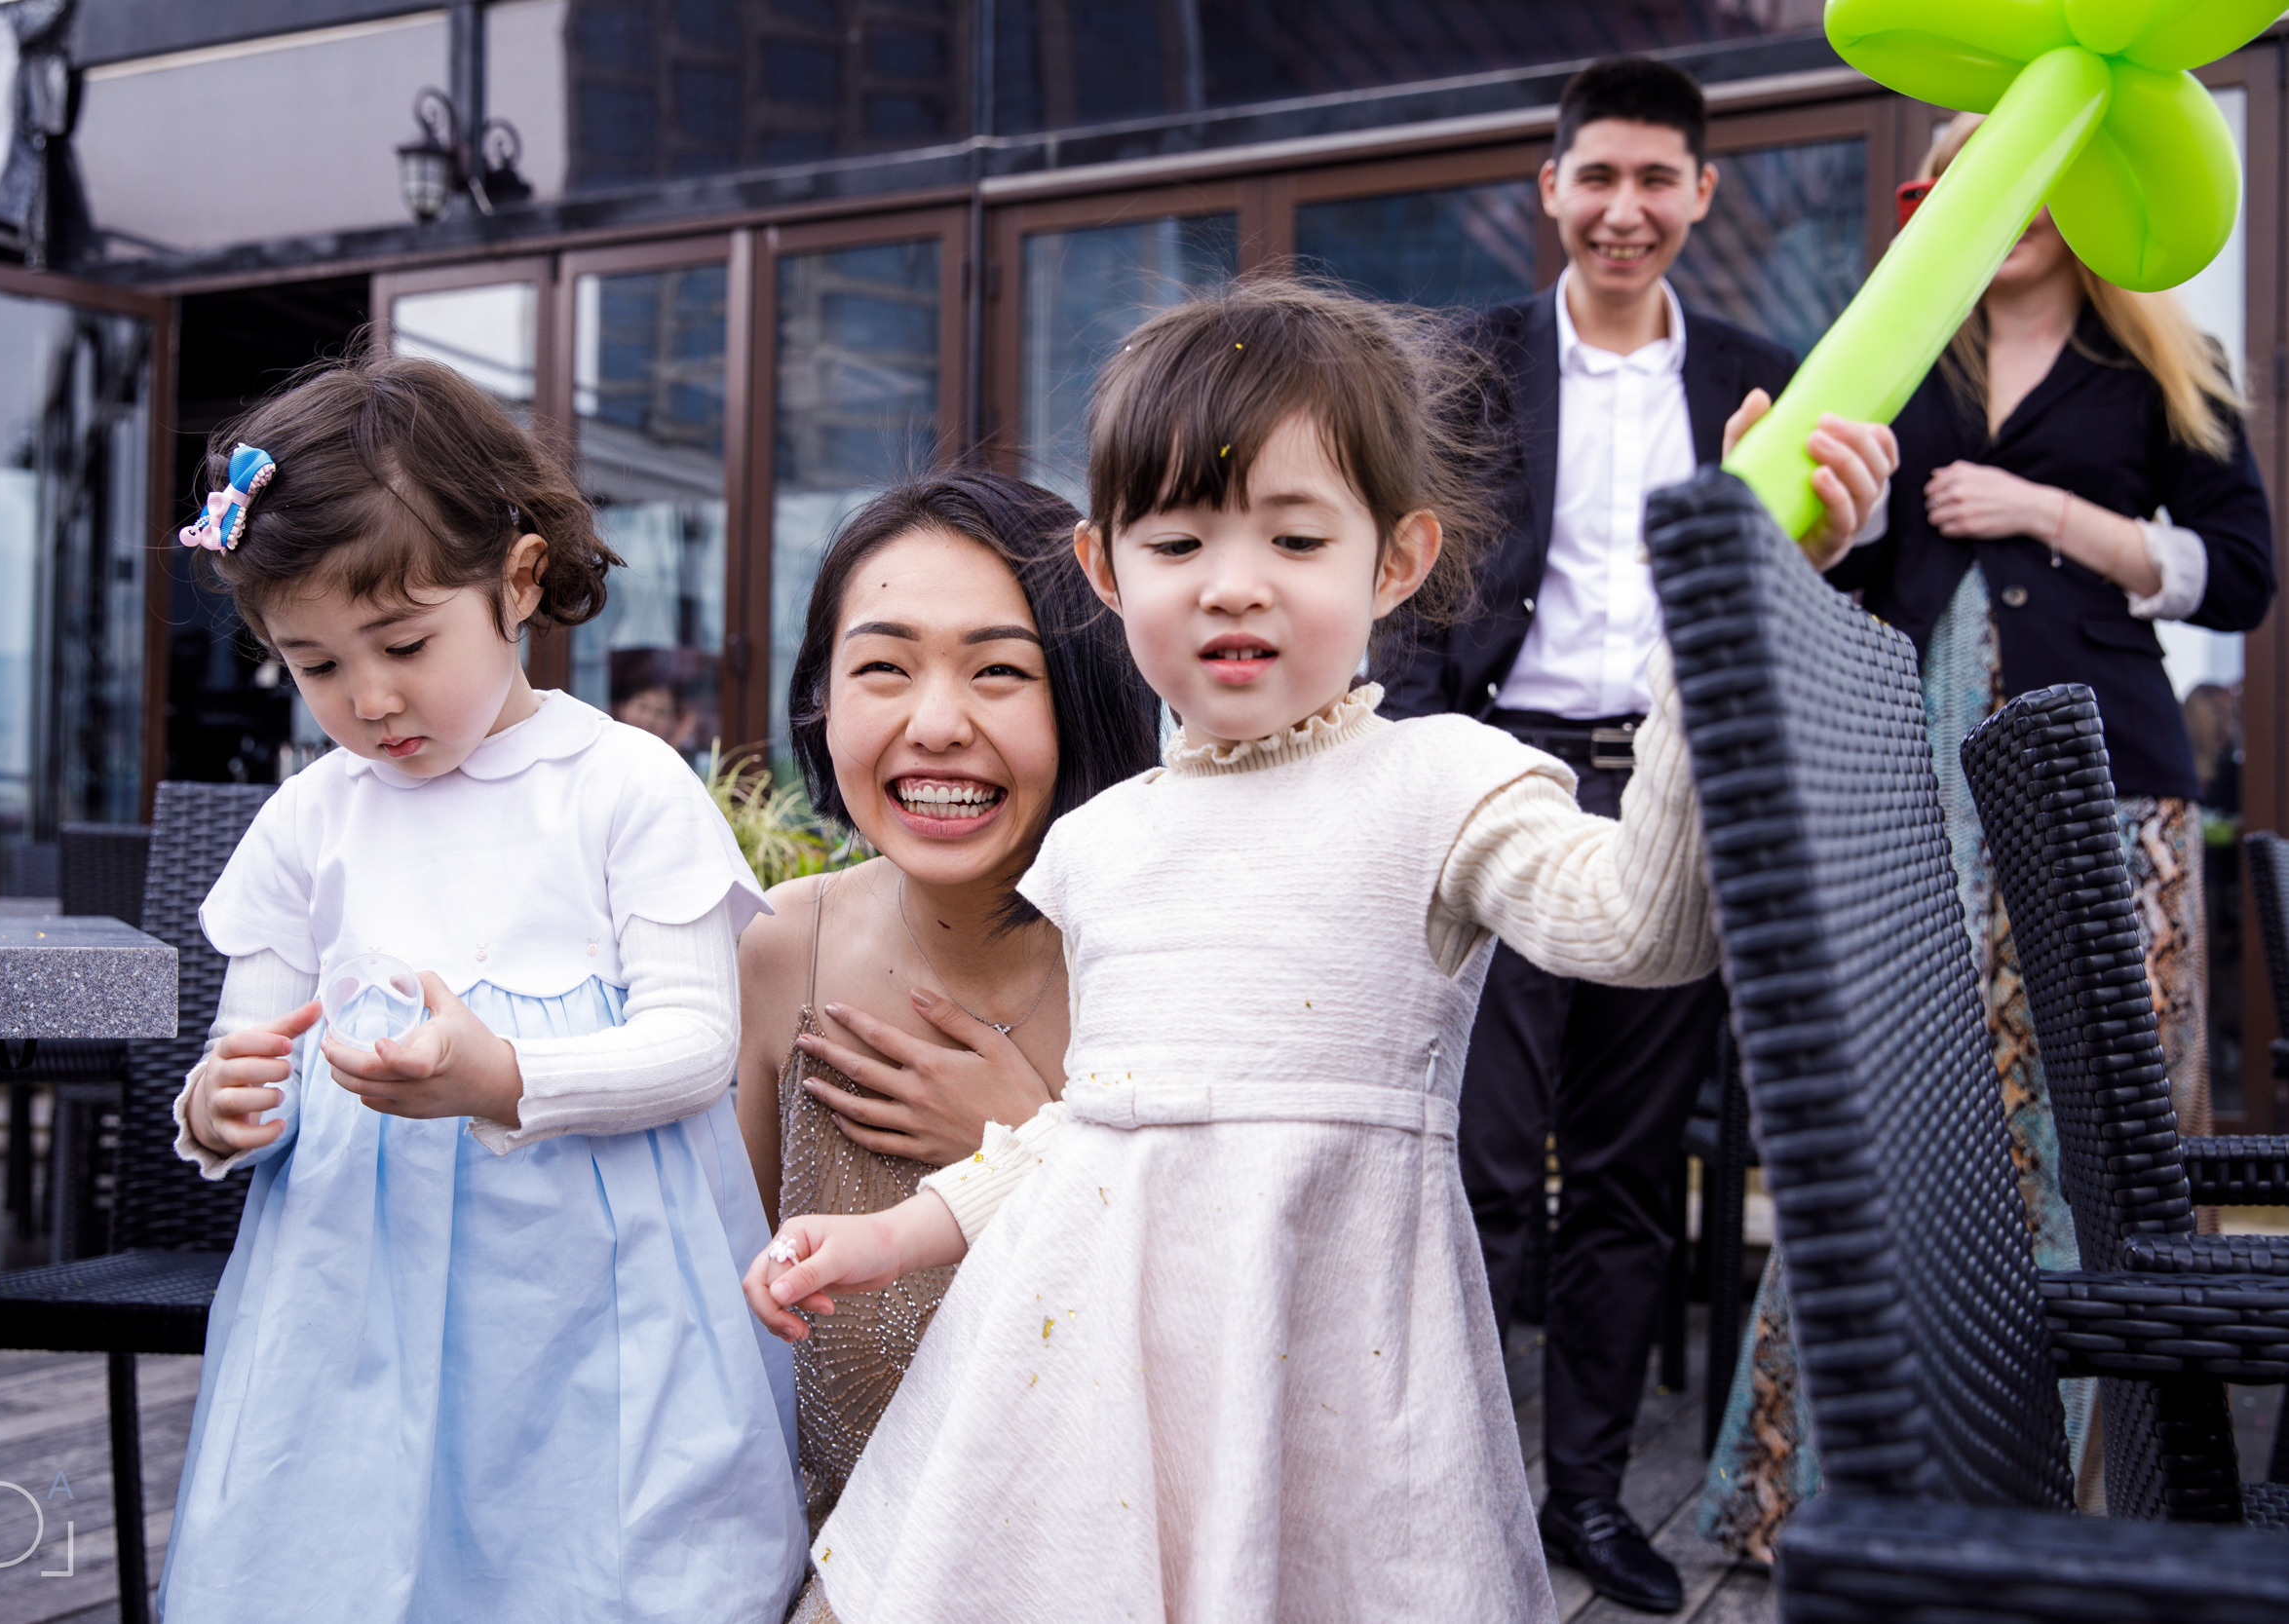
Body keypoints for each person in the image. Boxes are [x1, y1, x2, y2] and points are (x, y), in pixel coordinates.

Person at [741, 277, 1750, 1623]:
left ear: (1394, 560)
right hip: (1098, 1398)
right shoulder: (1102, 844)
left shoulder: (1440, 779)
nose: (1234, 585)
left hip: (1333, 1374)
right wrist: (888, 1237)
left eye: (1293, 536)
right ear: (1103, 570)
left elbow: (1645, 922)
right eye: (1178, 542)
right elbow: (1084, 1136)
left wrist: (1711, 623)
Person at [1700, 110, 2276, 1563]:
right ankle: (1822, 1494)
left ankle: (2096, 1512)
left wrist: (2052, 512)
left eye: (2019, 175)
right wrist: (1842, 509)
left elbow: (2243, 577)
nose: (1990, 201)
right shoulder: (1902, 355)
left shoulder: (2165, 364)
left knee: (2101, 1127)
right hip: (1918, 765)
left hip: (2109, 786)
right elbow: (1857, 568)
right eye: (1954, 179)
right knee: (1898, 1112)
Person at [158, 355, 808, 1622]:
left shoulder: (619, 785)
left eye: (403, 641)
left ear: (514, 581)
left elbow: (693, 1046)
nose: (371, 697)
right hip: (355, 1302)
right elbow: (253, 1045)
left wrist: (504, 1074)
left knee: (594, 1549)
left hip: (591, 1294)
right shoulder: (309, 821)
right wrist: (216, 1109)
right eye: (317, 663)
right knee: (348, 1553)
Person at [1376, 57, 1897, 1611]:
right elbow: (1400, 567)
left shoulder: (1763, 376)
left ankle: (1588, 1499)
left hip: (1670, 789)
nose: (1623, 209)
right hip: (1495, 776)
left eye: (1655, 181)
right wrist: (1410, 745)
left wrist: (1831, 544)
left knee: (1623, 1178)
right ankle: (1434, 1491)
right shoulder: (1464, 366)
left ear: (1702, 196)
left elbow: (1804, 602)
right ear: (1550, 189)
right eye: (1594, 177)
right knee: (1471, 1162)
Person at [733, 471, 1158, 1567]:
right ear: (821, 696)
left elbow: (1214, 1349)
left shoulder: (1158, 959)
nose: (935, 724)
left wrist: (1032, 1139)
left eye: (998, 672)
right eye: (881, 666)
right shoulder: (778, 952)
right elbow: (714, 1326)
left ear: (1084, 692)